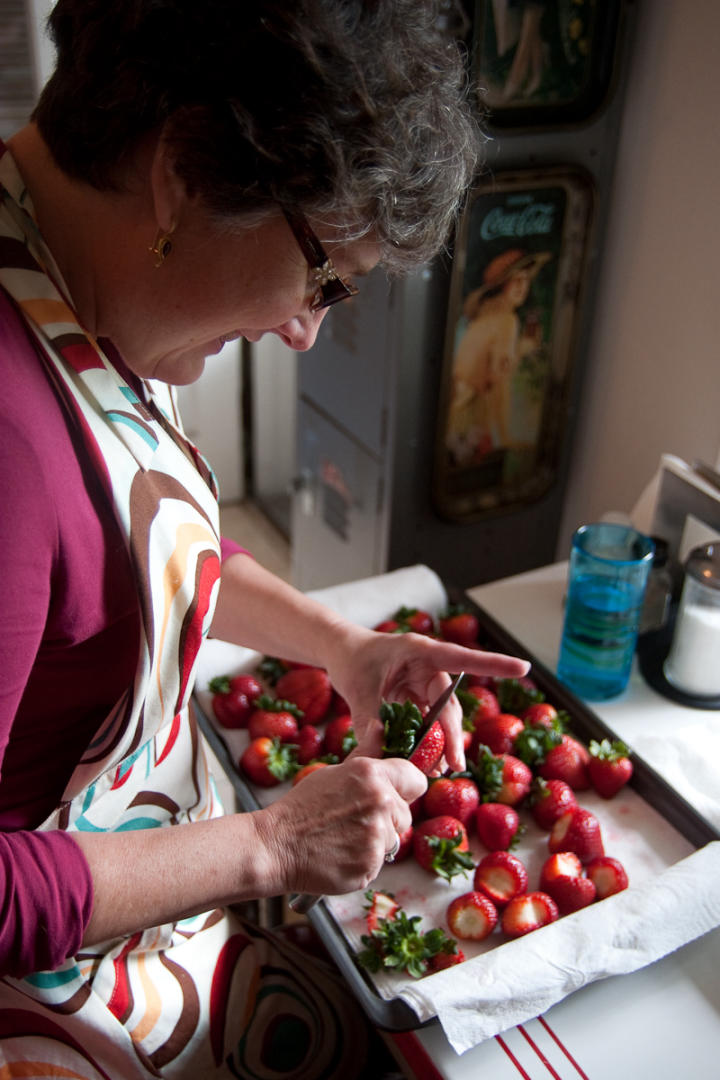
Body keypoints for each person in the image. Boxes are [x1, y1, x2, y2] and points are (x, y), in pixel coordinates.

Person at [0, 2, 529, 1075]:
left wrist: (343, 645)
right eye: (326, 277)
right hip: (63, 1007)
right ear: (188, 170)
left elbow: (140, 543)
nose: (307, 329)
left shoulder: (63, 272)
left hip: (151, 929)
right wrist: (271, 844)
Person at [446, 247, 550, 464]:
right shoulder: (507, 321)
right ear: (503, 284)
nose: (522, 287)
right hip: (470, 422)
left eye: (526, 280)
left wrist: (521, 348)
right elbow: (497, 384)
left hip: (454, 416)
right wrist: (502, 438)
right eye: (516, 280)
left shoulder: (486, 314)